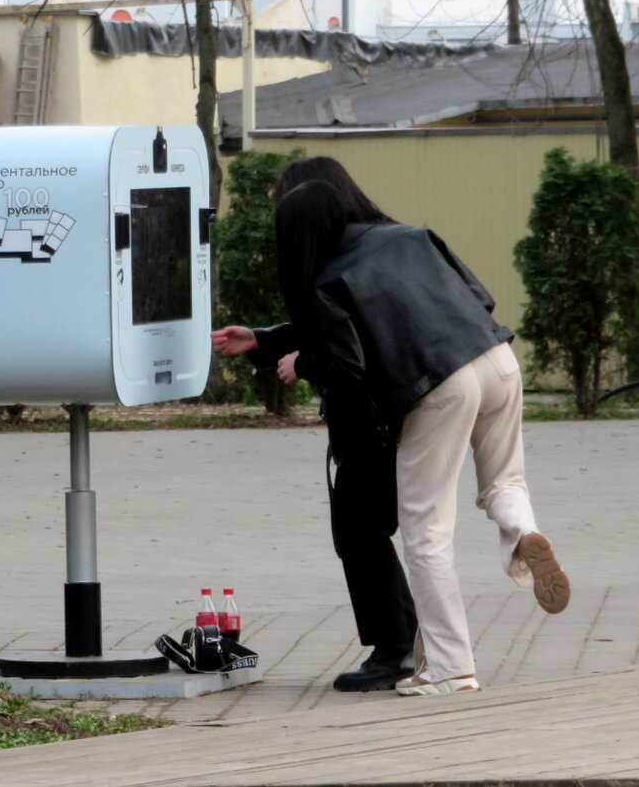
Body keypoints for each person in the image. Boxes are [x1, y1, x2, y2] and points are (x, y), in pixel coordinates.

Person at [272, 179, 570, 697]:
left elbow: (346, 364)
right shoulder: (412, 236)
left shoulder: (328, 277)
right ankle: (523, 532)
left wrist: (306, 364)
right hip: (497, 359)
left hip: (439, 386)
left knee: (425, 530)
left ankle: (450, 668)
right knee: (504, 480)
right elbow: (482, 297)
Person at [211, 157, 418, 692]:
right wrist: (265, 338)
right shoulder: (381, 243)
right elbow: (334, 324)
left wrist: (303, 363)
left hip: (376, 416)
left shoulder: (346, 257)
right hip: (402, 408)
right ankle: (407, 641)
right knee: (369, 527)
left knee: (360, 528)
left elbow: (346, 343)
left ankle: (396, 648)